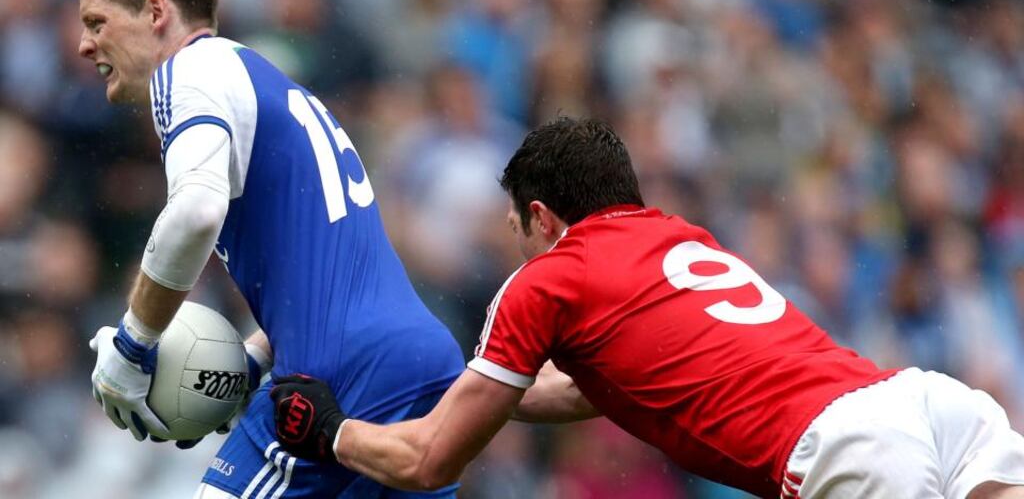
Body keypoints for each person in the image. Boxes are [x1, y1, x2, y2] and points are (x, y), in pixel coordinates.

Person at [271, 117, 1024, 498]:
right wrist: (482, 397)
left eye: (515, 222)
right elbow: (602, 386)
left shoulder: (549, 279)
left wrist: (334, 432)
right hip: (923, 400)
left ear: (541, 216)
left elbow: (432, 459)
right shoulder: (675, 235)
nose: (512, 237)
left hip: (844, 451)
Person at [79, 0, 465, 498]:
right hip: (418, 359)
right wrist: (254, 358)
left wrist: (133, 347)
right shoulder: (269, 83)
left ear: (156, 11)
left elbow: (195, 211)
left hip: (331, 381)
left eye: (97, 23)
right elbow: (330, 268)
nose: (85, 46)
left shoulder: (187, 73)